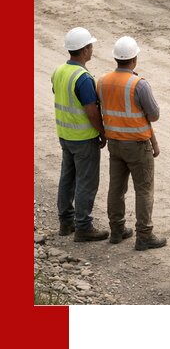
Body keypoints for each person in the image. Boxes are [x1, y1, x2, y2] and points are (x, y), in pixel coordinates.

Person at [97, 36, 166, 250]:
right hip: (137, 145)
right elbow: (153, 115)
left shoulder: (102, 81)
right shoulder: (139, 84)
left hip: (115, 144)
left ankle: (116, 230)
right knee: (144, 190)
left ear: (116, 58)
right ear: (134, 59)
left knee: (116, 188)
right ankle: (144, 235)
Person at [52, 27, 109, 242]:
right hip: (83, 138)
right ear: (84, 50)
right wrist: (102, 132)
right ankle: (83, 226)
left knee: (67, 177)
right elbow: (91, 111)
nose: (92, 49)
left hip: (65, 135)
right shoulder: (83, 79)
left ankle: (66, 221)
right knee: (86, 181)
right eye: (90, 46)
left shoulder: (59, 72)